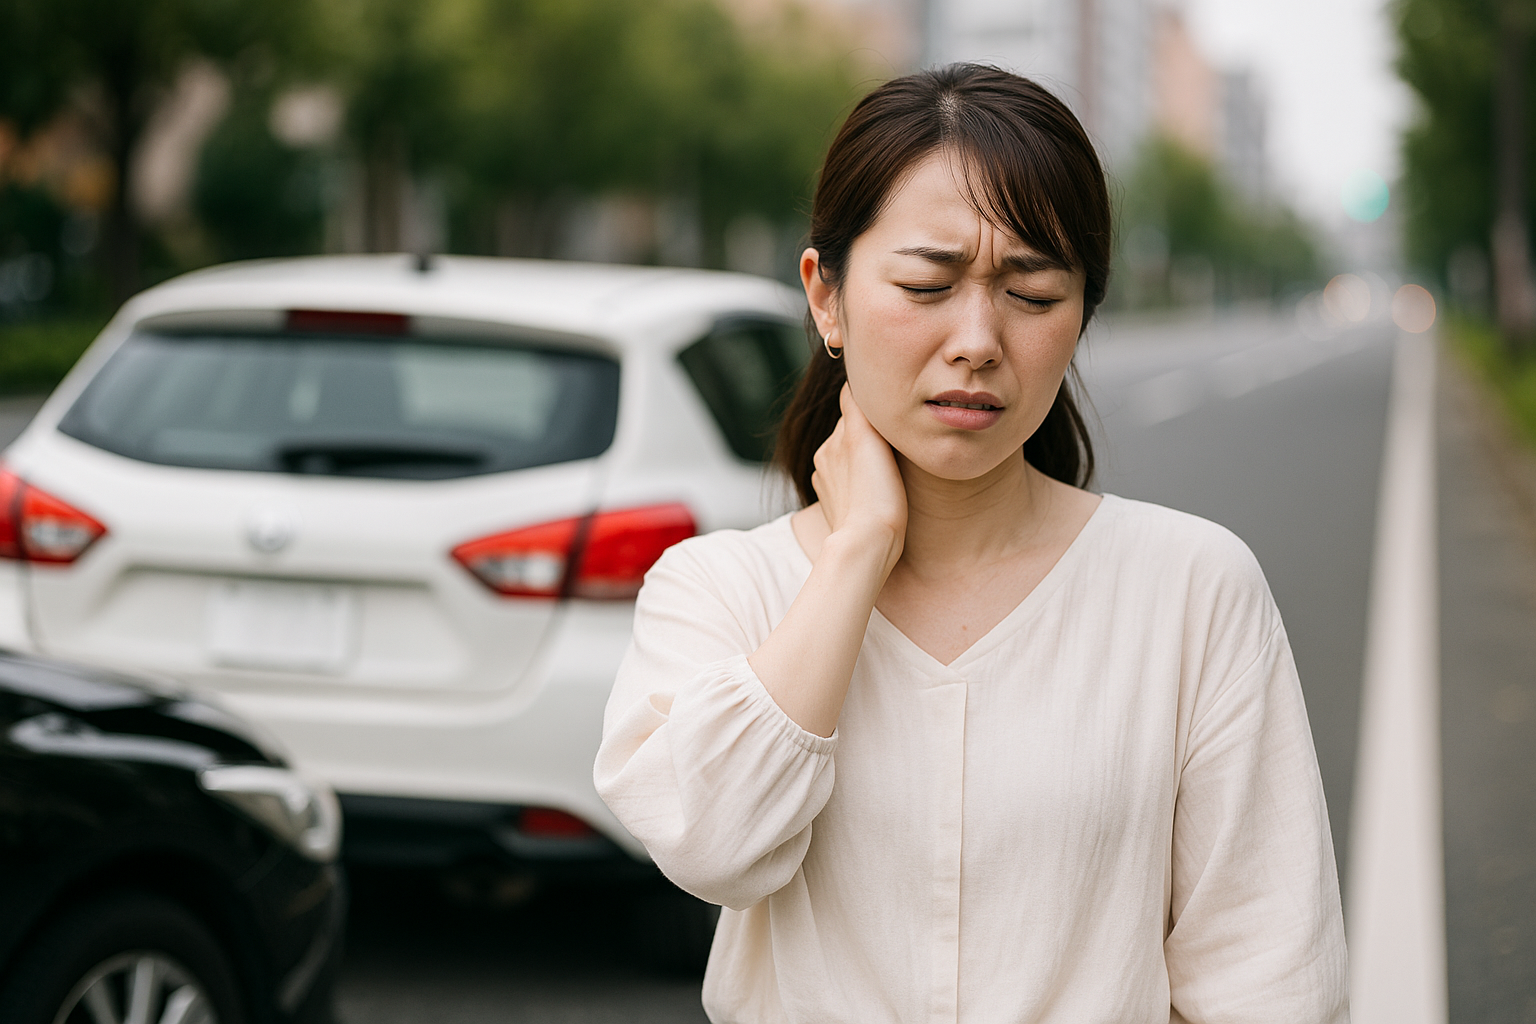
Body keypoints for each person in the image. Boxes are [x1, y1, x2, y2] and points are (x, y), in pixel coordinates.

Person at [594, 63, 1347, 1024]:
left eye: (1033, 294)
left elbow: (1266, 977)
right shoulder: (719, 589)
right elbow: (713, 845)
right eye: (926, 284)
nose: (978, 338)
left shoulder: (1193, 589)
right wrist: (857, 550)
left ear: (1081, 314)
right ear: (825, 296)